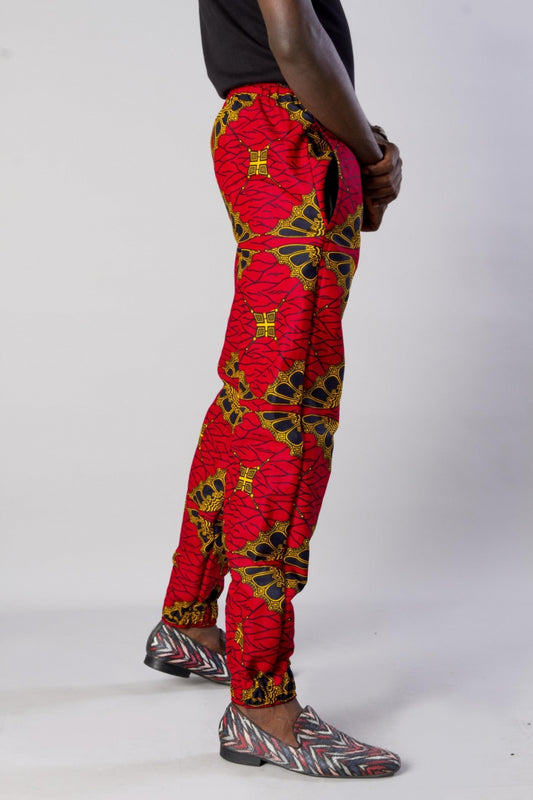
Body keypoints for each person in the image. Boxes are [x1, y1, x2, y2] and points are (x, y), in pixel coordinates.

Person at [144, 0, 403, 778]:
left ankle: (189, 621)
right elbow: (293, 36)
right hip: (293, 137)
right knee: (288, 413)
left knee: (251, 396)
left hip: (262, 132)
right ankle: (262, 704)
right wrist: (370, 153)